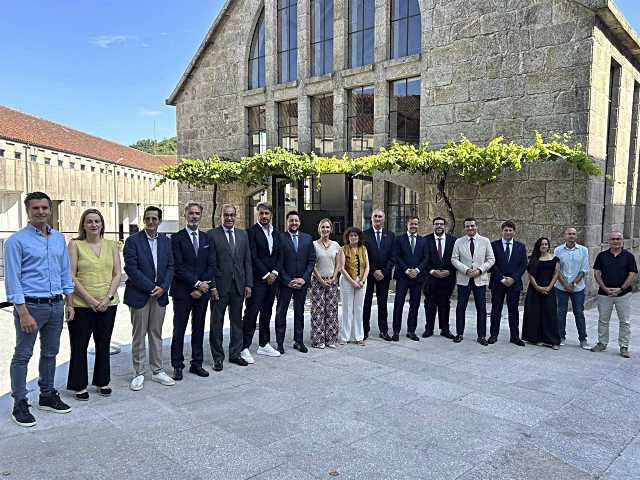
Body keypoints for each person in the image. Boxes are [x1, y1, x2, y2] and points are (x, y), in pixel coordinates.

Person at [6, 192, 74, 427]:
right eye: (36, 208)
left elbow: (65, 272)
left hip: (56, 305)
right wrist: (23, 312)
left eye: (45, 207)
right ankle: (20, 403)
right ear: (28, 211)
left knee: (51, 352)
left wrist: (69, 301)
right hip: (31, 306)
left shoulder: (58, 239)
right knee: (23, 355)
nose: (41, 212)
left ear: (50, 209)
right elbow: (13, 280)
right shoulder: (16, 241)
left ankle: (46, 395)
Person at [67, 209, 121, 400]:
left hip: (108, 304)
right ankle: (79, 385)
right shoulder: (75, 245)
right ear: (83, 225)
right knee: (79, 345)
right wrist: (90, 300)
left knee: (103, 344)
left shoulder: (112, 245)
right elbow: (71, 276)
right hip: (82, 305)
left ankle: (102, 381)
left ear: (102, 224)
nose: (93, 225)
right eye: (89, 221)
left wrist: (106, 299)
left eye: (97, 221)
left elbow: (117, 274)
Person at [123, 205, 175, 391]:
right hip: (140, 295)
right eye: (148, 218)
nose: (151, 222)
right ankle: (139, 372)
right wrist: (151, 287)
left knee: (156, 333)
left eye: (155, 219)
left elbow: (171, 266)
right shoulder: (132, 241)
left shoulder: (166, 242)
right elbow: (131, 268)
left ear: (159, 221)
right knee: (139, 335)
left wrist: (163, 287)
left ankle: (158, 369)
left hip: (159, 295)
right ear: (143, 220)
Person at [170, 203, 217, 381]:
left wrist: (203, 286)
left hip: (202, 292)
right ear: (185, 215)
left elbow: (211, 265)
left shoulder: (206, 239)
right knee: (179, 329)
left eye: (197, 213)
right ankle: (177, 365)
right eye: (191, 213)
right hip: (183, 292)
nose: (194, 216)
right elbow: (178, 266)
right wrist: (196, 284)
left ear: (201, 215)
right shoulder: (176, 238)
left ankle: (196, 363)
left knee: (198, 328)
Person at [208, 204, 253, 370]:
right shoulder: (212, 235)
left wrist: (249, 283)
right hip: (219, 288)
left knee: (237, 322)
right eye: (226, 215)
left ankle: (235, 354)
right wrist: (212, 286)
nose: (229, 218)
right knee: (216, 323)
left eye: (232, 215)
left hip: (238, 286)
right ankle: (218, 357)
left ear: (236, 216)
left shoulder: (243, 235)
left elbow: (247, 261)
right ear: (221, 216)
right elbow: (210, 264)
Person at [242, 202, 282, 360]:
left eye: (267, 213)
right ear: (257, 215)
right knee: (251, 313)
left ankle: (264, 344)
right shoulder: (250, 232)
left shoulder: (276, 233)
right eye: (261, 213)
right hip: (258, 280)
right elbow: (252, 256)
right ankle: (244, 347)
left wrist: (275, 272)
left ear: (271, 215)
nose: (264, 216)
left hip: (273, 281)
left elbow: (280, 255)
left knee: (267, 312)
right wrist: (266, 274)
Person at [274, 210, 316, 354]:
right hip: (285, 283)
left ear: (299, 222)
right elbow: (278, 261)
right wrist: (287, 280)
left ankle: (298, 341)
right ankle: (279, 343)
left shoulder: (307, 238)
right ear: (287, 222)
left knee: (299, 312)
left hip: (301, 283)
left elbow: (311, 261)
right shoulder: (280, 237)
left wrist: (304, 279)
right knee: (281, 313)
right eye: (291, 220)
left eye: (296, 220)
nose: (294, 223)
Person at [591, 231, 638, 358]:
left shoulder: (628, 256)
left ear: (622, 240)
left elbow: (632, 274)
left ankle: (624, 346)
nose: (616, 241)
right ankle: (602, 343)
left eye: (618, 239)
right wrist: (605, 288)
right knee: (603, 320)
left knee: (625, 321)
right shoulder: (602, 256)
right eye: (613, 239)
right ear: (609, 241)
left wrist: (621, 289)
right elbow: (596, 273)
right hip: (604, 294)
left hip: (623, 294)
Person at [451, 217, 495, 345]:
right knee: (461, 307)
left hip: (479, 279)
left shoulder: (485, 241)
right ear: (464, 228)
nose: (470, 228)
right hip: (464, 278)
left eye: (472, 226)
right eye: (467, 226)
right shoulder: (459, 242)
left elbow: (491, 259)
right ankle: (459, 333)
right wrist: (465, 270)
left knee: (481, 308)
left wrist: (480, 270)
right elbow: (454, 259)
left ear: (477, 227)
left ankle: (481, 336)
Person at [488, 220, 527, 346]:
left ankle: (515, 336)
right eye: (506, 230)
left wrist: (513, 278)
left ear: (514, 232)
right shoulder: (494, 245)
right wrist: (502, 278)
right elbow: (491, 263)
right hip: (498, 283)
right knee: (496, 309)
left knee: (513, 310)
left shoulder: (520, 247)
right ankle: (493, 335)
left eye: (510, 230)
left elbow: (523, 265)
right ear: (502, 231)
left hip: (514, 284)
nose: (508, 232)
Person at [391, 216, 428, 341]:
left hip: (417, 278)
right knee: (399, 304)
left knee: (415, 304)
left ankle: (411, 331)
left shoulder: (423, 241)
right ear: (407, 224)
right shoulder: (399, 239)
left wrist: (417, 270)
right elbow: (396, 257)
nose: (414, 226)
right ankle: (396, 331)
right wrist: (407, 270)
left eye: (416, 224)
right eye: (411, 224)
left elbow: (425, 258)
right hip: (403, 276)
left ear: (418, 225)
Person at [554, 227, 590, 349]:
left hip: (578, 288)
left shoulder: (583, 250)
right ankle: (560, 336)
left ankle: (583, 339)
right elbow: (556, 270)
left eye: (574, 234)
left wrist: (573, 284)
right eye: (569, 234)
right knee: (561, 312)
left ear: (576, 236)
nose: (571, 236)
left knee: (579, 313)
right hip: (560, 287)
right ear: (565, 235)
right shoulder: (558, 250)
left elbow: (583, 270)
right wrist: (565, 284)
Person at [522, 237, 562, 349]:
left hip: (549, 290)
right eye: (542, 244)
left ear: (548, 246)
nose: (544, 246)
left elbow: (556, 274)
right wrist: (538, 287)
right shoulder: (533, 258)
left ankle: (553, 341)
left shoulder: (555, 259)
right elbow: (531, 275)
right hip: (534, 290)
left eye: (546, 244)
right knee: (534, 314)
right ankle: (535, 339)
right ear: (538, 246)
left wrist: (549, 287)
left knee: (550, 315)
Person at [362, 209, 395, 341]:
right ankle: (364, 330)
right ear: (371, 218)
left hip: (384, 275)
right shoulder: (364, 235)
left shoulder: (390, 235)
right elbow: (364, 256)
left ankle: (384, 330)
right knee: (367, 303)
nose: (377, 219)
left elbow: (393, 257)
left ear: (384, 219)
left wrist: (384, 272)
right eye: (375, 216)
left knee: (383, 303)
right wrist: (373, 270)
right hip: (369, 274)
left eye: (380, 216)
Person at [422, 216, 456, 339]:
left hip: (447, 278)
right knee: (429, 304)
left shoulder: (453, 241)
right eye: (436, 224)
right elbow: (423, 259)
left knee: (445, 304)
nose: (439, 226)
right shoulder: (425, 240)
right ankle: (429, 328)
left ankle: (445, 329)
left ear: (445, 225)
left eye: (441, 224)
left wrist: (450, 271)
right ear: (433, 226)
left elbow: (456, 259)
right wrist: (431, 271)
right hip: (430, 278)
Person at [310, 219, 340, 348]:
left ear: (331, 229)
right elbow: (312, 264)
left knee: (332, 311)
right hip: (318, 282)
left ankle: (331, 339)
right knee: (318, 311)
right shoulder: (313, 245)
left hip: (332, 281)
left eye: (327, 227)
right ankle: (318, 340)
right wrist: (321, 280)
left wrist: (334, 278)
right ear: (319, 229)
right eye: (323, 227)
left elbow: (338, 264)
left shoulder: (336, 245)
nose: (325, 230)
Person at [339, 227, 370, 345]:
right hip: (347, 281)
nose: (353, 238)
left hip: (361, 281)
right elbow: (341, 267)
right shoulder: (343, 249)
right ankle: (344, 337)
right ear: (347, 237)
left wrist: (362, 280)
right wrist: (352, 282)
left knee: (358, 309)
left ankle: (359, 337)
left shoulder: (363, 249)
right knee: (347, 309)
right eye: (351, 236)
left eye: (355, 236)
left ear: (359, 237)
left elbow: (367, 266)